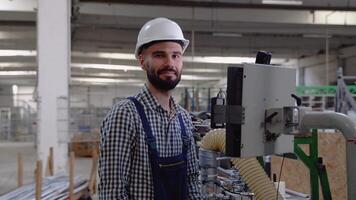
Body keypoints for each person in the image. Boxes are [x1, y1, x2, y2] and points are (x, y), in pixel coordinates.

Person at [98, 17, 202, 200]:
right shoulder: (125, 115)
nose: (170, 63)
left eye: (175, 55)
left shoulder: (184, 119)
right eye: (159, 55)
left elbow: (192, 181)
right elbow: (112, 193)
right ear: (142, 61)